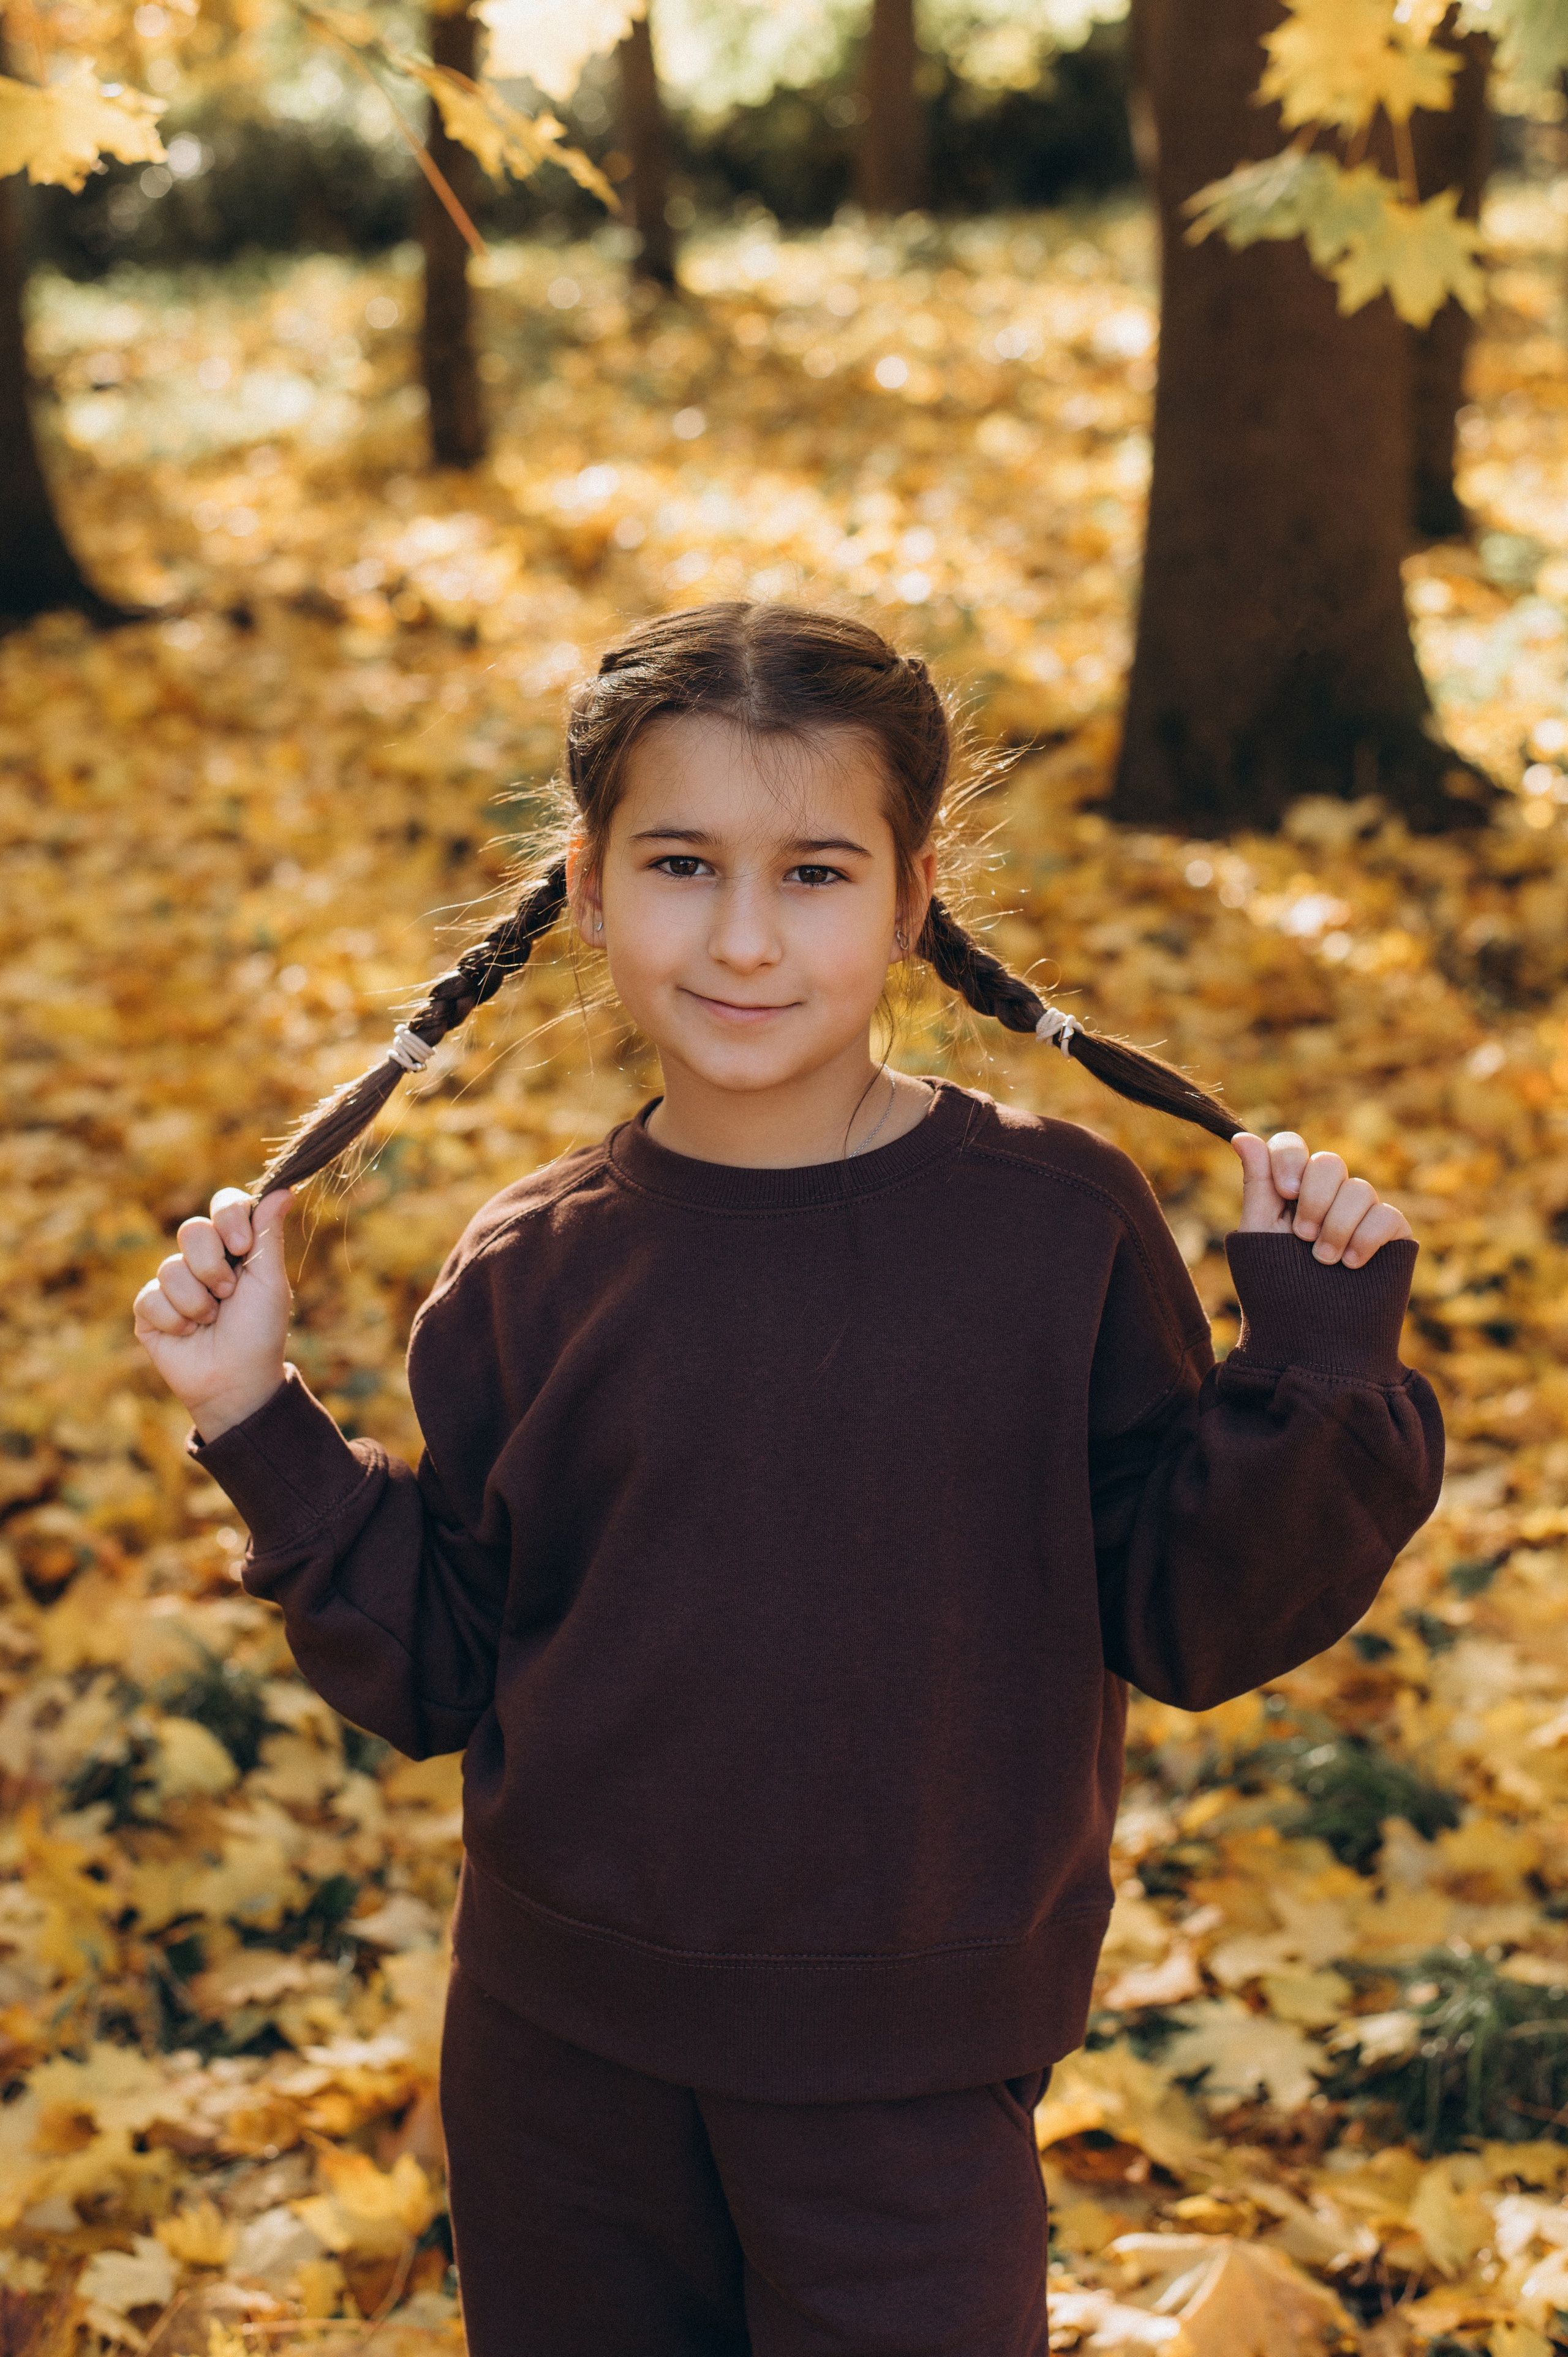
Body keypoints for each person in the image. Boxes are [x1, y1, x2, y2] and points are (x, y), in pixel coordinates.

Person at [133, 603, 1442, 2357]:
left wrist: (1320, 1359)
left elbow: (1192, 1614)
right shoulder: (527, 1265)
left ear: (912, 900)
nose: (744, 938)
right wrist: (254, 1417)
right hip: (555, 2064)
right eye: (683, 864)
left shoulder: (1057, 1229)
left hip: (907, 2079)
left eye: (816, 873)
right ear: (588, 888)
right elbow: (443, 1665)